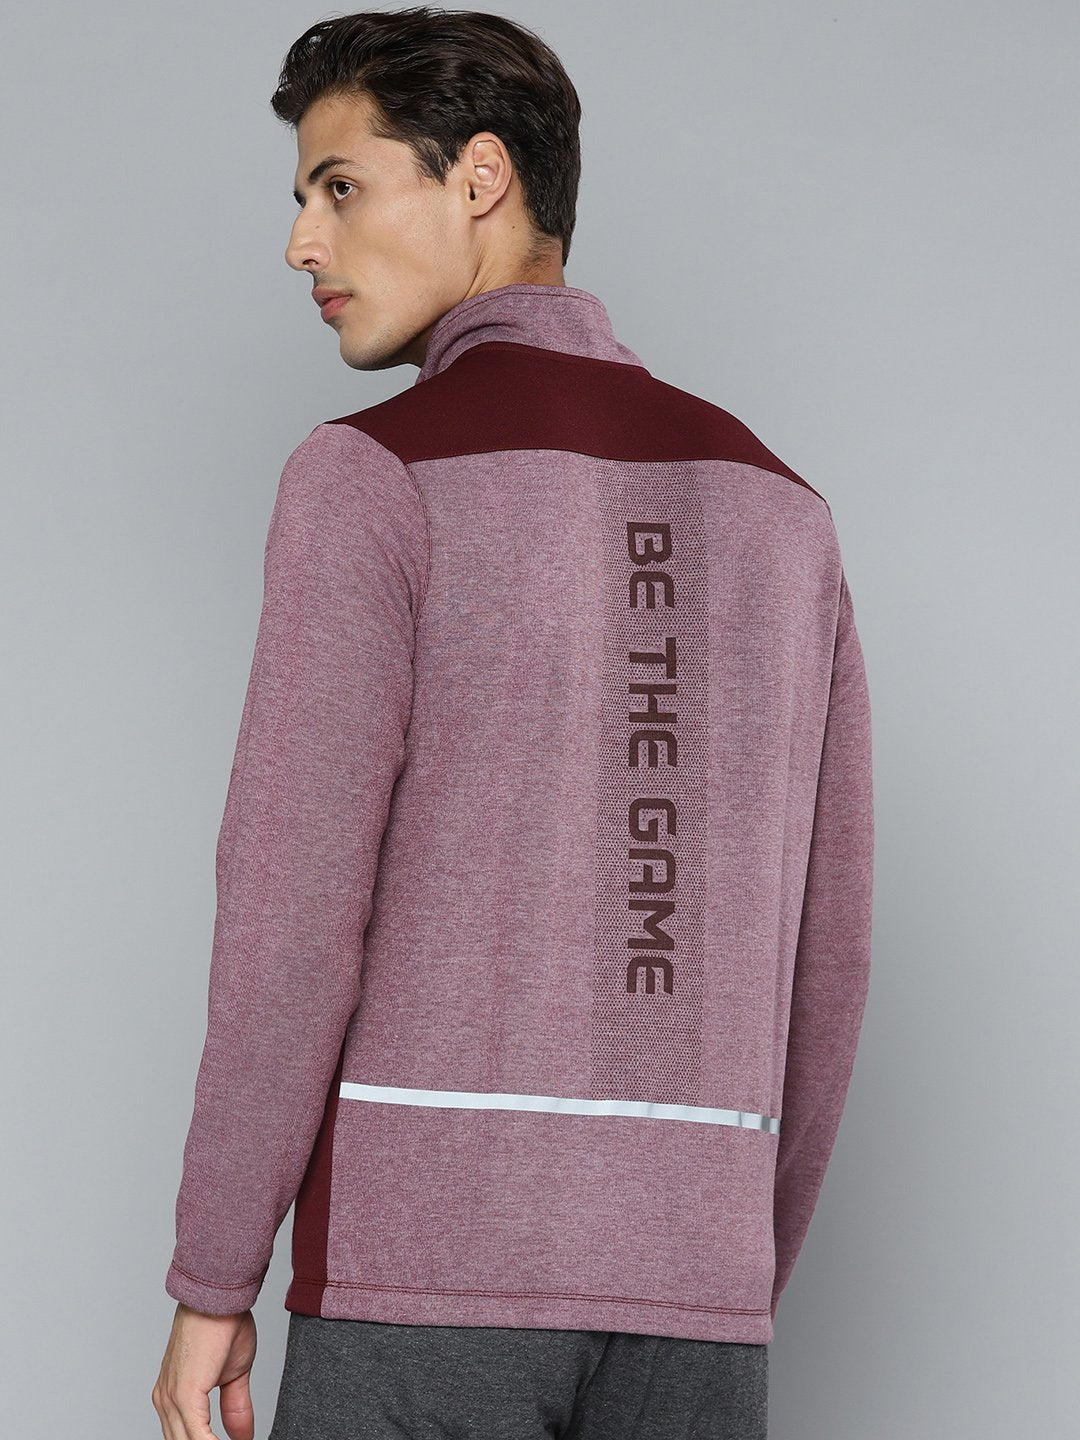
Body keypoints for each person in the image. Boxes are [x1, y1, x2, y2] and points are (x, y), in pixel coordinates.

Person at [151, 8, 874, 1439]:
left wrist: (214, 1275)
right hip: (699, 1297)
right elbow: (829, 955)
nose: (301, 243)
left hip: (425, 1286)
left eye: (339, 186)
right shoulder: (785, 509)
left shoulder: (373, 475)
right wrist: (723, 1260)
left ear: (480, 175)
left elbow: (291, 915)